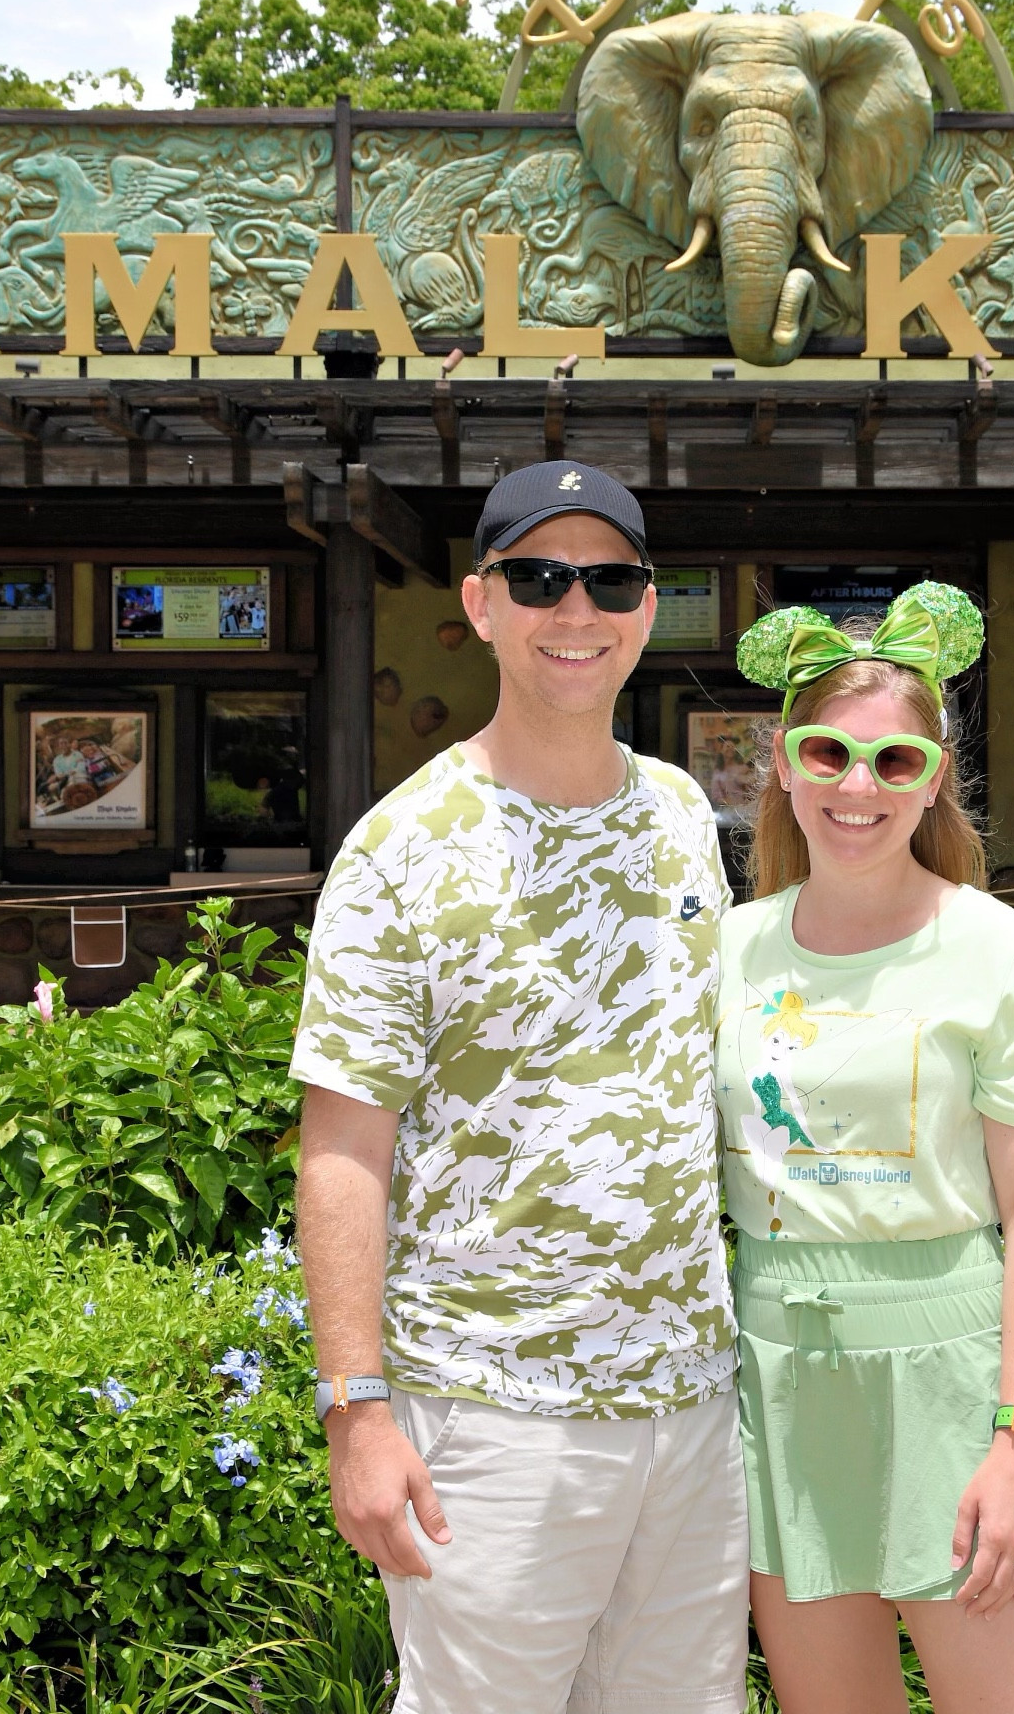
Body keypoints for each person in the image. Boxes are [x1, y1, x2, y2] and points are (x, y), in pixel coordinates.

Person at [291, 460, 747, 1714]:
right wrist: (356, 1412)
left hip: (691, 1402)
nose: (576, 608)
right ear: (481, 602)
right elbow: (341, 1150)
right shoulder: (399, 850)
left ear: (648, 607)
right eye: (539, 577)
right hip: (491, 1414)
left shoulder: (680, 812)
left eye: (609, 578)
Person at [718, 585, 1014, 1714]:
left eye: (895, 761)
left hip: (953, 1378)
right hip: (776, 1381)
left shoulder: (987, 942)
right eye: (828, 752)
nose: (858, 785)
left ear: (933, 775)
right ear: (783, 768)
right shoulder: (728, 950)